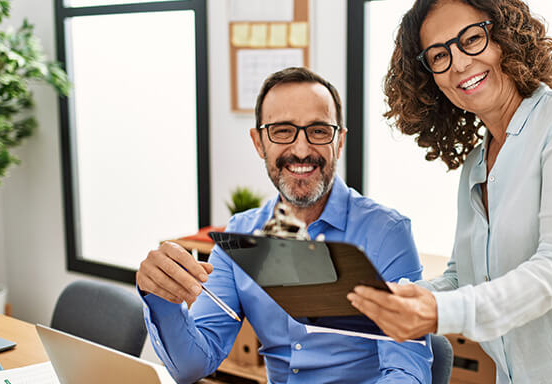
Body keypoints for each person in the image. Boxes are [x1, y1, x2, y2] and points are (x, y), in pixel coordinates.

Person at [347, 0, 552, 383]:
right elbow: (463, 277)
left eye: (471, 39)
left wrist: (436, 313)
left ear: (505, 36)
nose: (459, 64)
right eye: (439, 56)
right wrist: (390, 299)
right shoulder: (478, 163)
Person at [137, 67, 432, 384]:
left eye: (318, 131)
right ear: (259, 142)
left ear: (340, 140)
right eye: (282, 131)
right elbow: (193, 365)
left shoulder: (386, 233)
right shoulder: (240, 236)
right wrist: (160, 299)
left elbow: (407, 373)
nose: (302, 150)